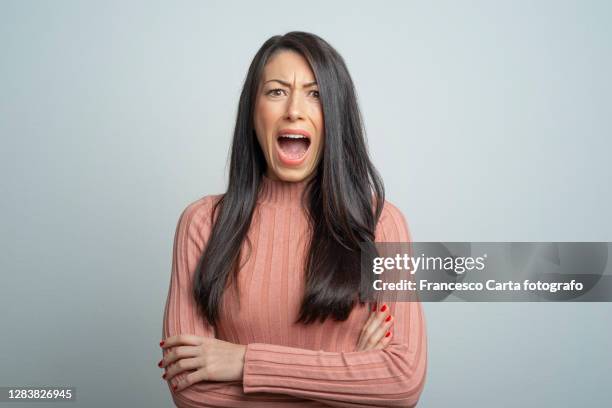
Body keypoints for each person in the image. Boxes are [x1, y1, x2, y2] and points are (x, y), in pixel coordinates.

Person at [158, 31, 427, 407]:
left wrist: (243, 362)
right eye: (276, 91)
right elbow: (191, 391)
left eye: (315, 94)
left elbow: (401, 381)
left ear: (335, 115)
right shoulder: (202, 224)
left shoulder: (381, 223)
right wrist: (348, 373)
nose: (294, 110)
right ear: (253, 113)